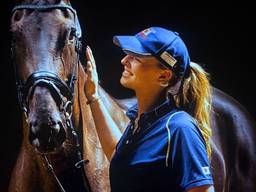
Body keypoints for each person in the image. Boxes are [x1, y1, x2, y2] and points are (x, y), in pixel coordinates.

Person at [84, 27, 215, 192]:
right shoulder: (139, 122)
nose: (124, 61)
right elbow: (119, 157)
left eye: (136, 57)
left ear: (163, 76)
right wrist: (94, 97)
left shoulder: (179, 128)